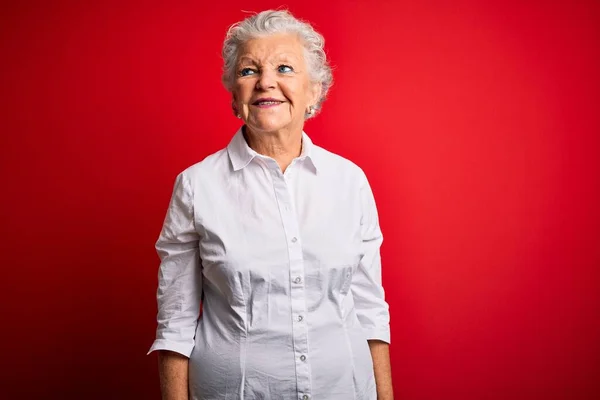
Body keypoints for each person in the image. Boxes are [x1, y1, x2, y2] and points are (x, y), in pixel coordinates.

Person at [148, 9, 393, 400]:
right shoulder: (196, 186)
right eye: (248, 72)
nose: (266, 83)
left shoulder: (350, 181)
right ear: (234, 95)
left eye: (284, 68)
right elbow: (175, 325)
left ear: (314, 90)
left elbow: (370, 311)